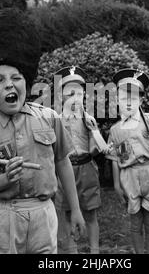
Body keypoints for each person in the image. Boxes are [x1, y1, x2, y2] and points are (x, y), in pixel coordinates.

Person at [0, 8, 85, 254]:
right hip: (0, 216)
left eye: (16, 77)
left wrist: (76, 209)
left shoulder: (50, 118)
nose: (9, 84)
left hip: (43, 214)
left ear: (26, 82)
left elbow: (63, 163)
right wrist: (4, 179)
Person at [105, 68, 149, 254]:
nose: (128, 102)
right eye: (123, 98)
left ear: (141, 100)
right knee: (135, 221)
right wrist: (117, 185)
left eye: (133, 98)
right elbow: (114, 159)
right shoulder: (115, 130)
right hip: (129, 175)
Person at [54, 66, 107, 254]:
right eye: (69, 94)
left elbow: (96, 147)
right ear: (61, 97)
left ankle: (94, 252)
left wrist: (95, 138)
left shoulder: (88, 119)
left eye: (78, 93)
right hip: (66, 170)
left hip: (86, 168)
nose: (74, 98)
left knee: (91, 213)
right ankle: (72, 251)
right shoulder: (57, 120)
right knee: (68, 213)